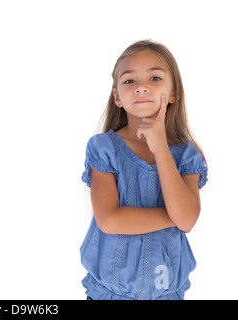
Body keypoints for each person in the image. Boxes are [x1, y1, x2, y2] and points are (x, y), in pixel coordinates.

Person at [80, 40, 208, 300]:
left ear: (173, 93)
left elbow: (187, 219)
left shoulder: (186, 156)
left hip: (167, 294)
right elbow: (110, 220)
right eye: (129, 81)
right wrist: (174, 217)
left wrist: (160, 146)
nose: (141, 86)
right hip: (109, 294)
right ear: (117, 96)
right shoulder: (104, 149)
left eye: (155, 77)